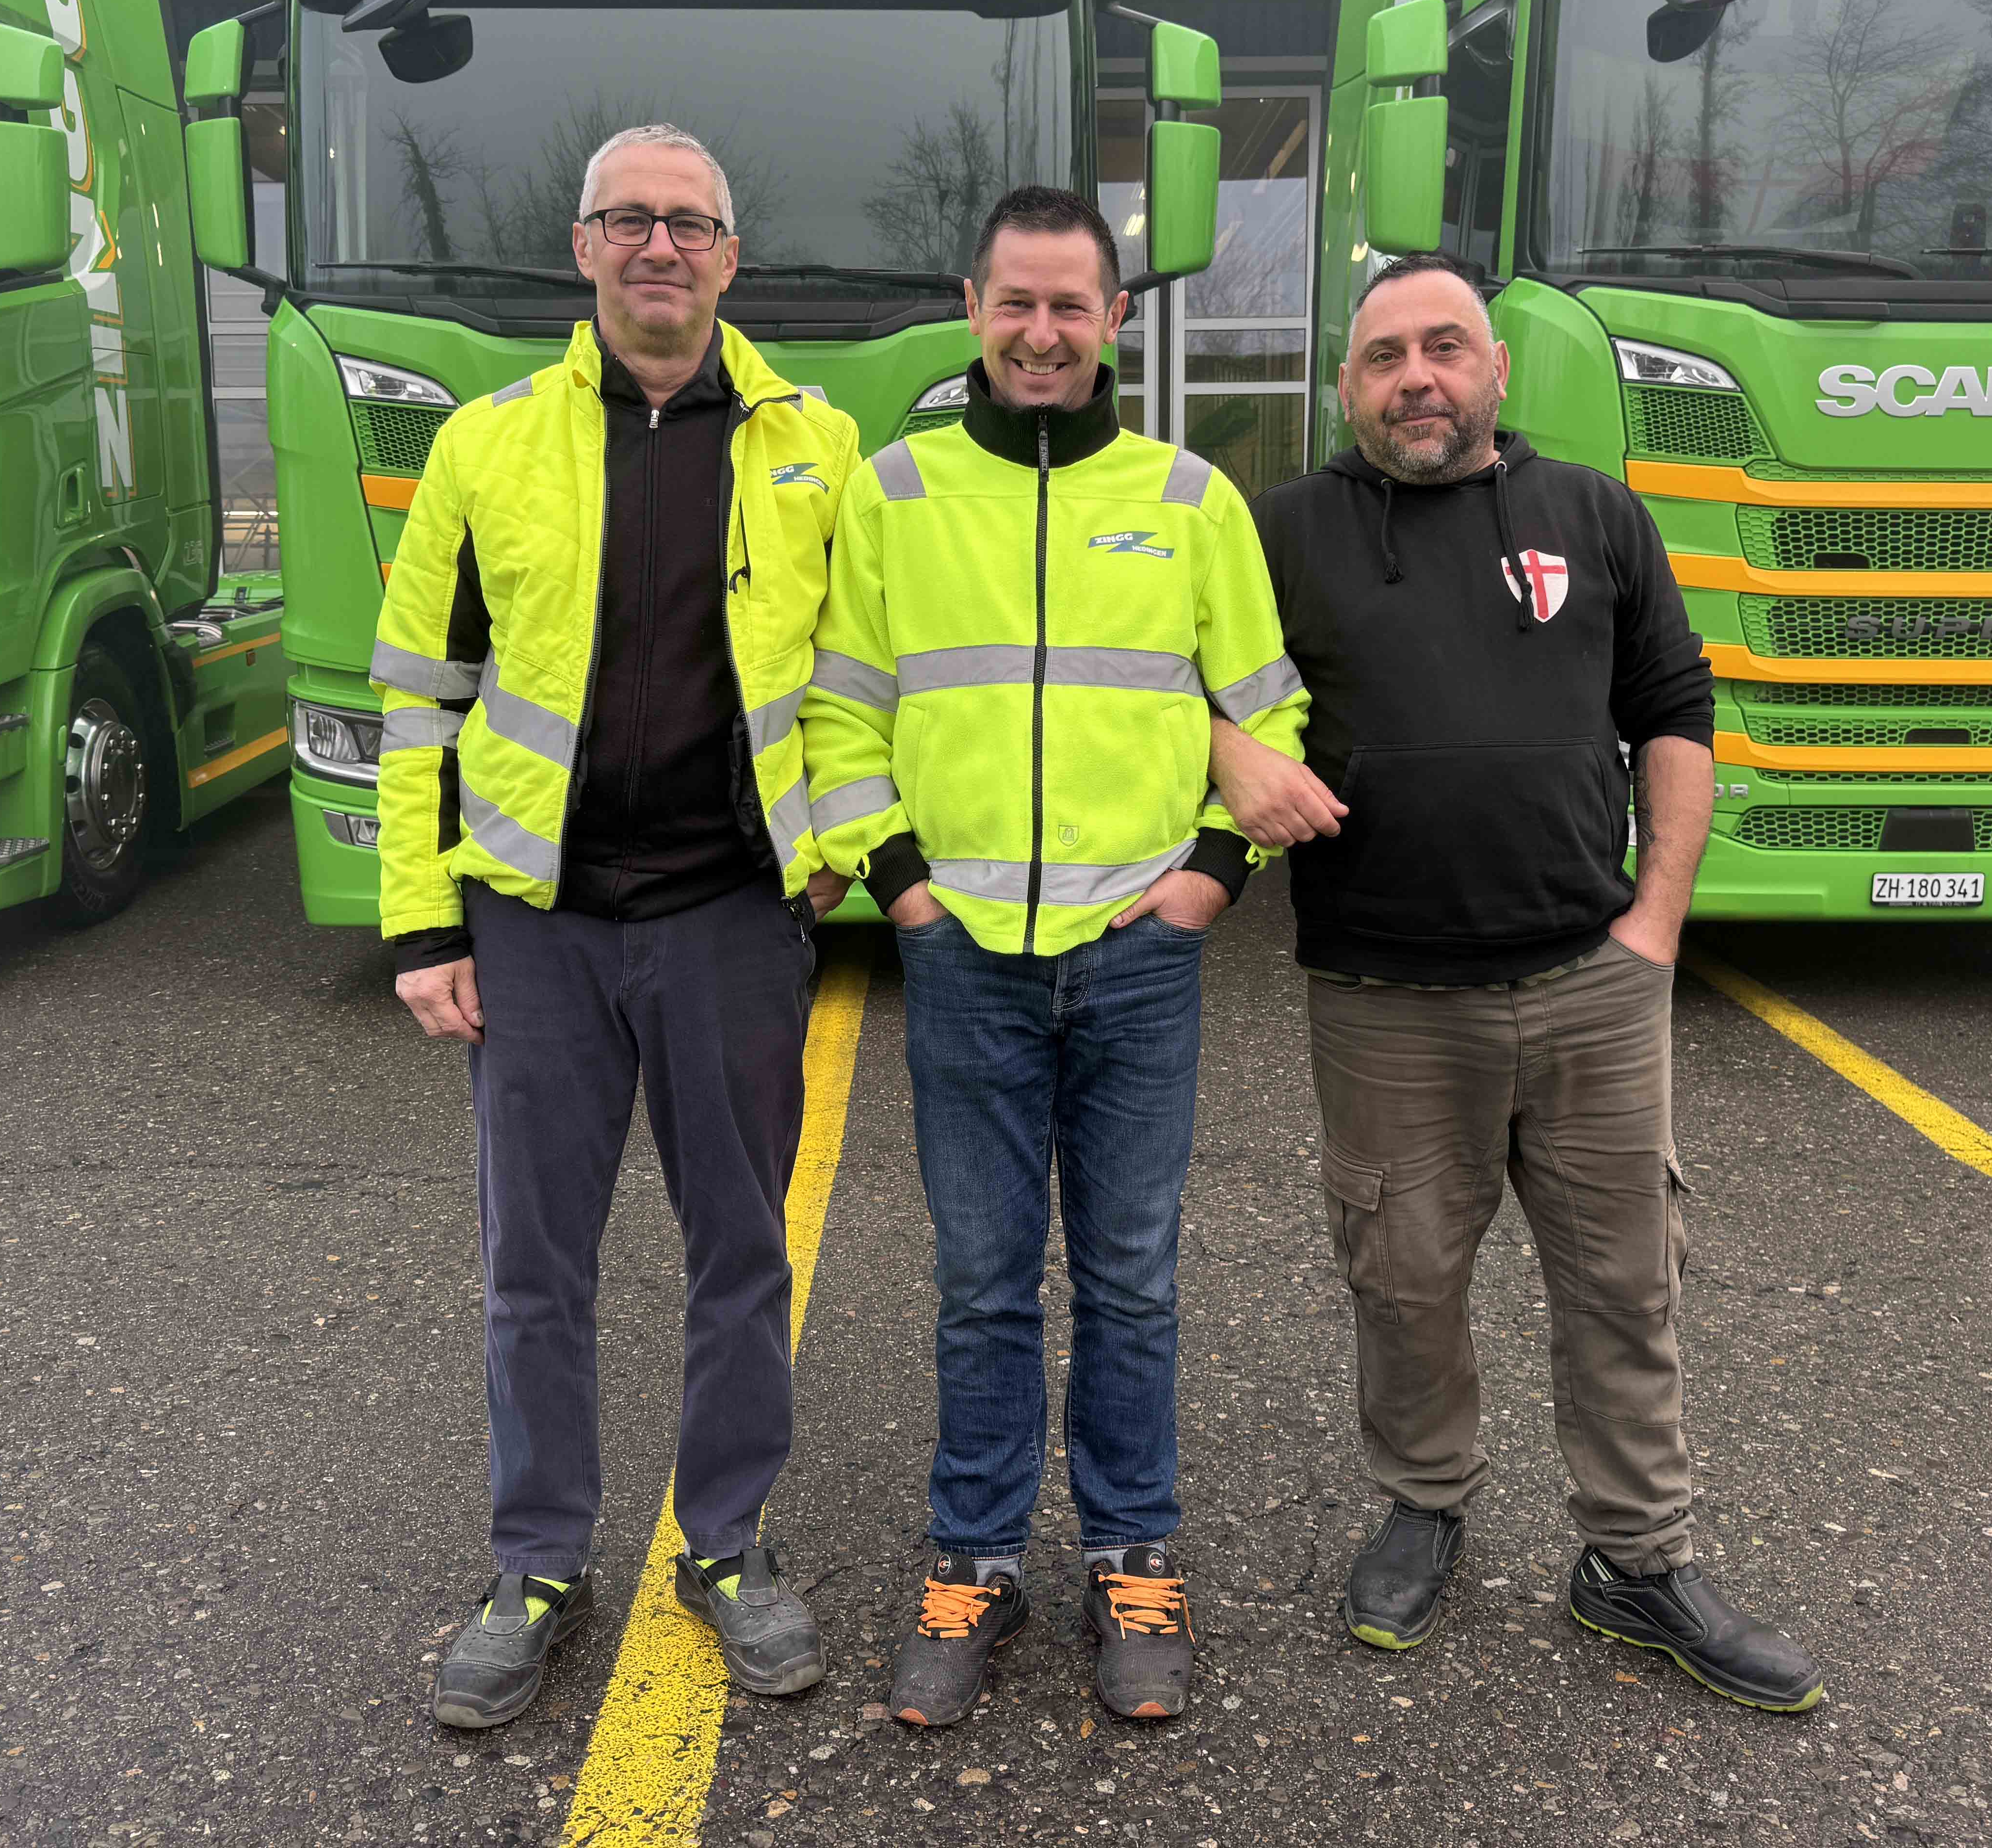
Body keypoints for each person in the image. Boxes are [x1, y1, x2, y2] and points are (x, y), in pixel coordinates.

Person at [1211, 251, 1823, 1713]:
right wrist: (1230, 752)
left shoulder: (1595, 514)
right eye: (1383, 358)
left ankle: (1636, 1556)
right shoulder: (1280, 530)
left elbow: (1673, 707)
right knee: (1404, 1276)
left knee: (1626, 1281)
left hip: (1590, 984)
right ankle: (1425, 1505)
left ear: (1495, 370)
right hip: (1381, 995)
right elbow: (1187, 680)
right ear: (1344, 388)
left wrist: (1656, 926)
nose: (1415, 379)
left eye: (1443, 348)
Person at [372, 123, 862, 1730]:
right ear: (582, 247)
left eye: (690, 223)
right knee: (534, 1265)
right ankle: (536, 1560)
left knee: (743, 1252)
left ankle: (725, 1542)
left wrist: (837, 852)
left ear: (732, 257)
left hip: (731, 915)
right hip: (542, 925)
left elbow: (860, 675)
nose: (661, 245)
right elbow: (419, 700)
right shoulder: (486, 445)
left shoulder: (819, 446)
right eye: (629, 219)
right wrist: (421, 923)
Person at [803, 187, 1308, 1727]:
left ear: (1114, 319)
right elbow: (842, 709)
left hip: (1139, 957)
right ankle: (974, 1559)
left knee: (1133, 1276)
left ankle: (1133, 1554)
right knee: (980, 1280)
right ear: (972, 308)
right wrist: (903, 887)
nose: (1040, 332)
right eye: (1014, 303)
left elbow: (1268, 709)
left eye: (1069, 305)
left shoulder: (1190, 498)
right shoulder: (892, 494)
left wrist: (1215, 877)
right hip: (966, 956)